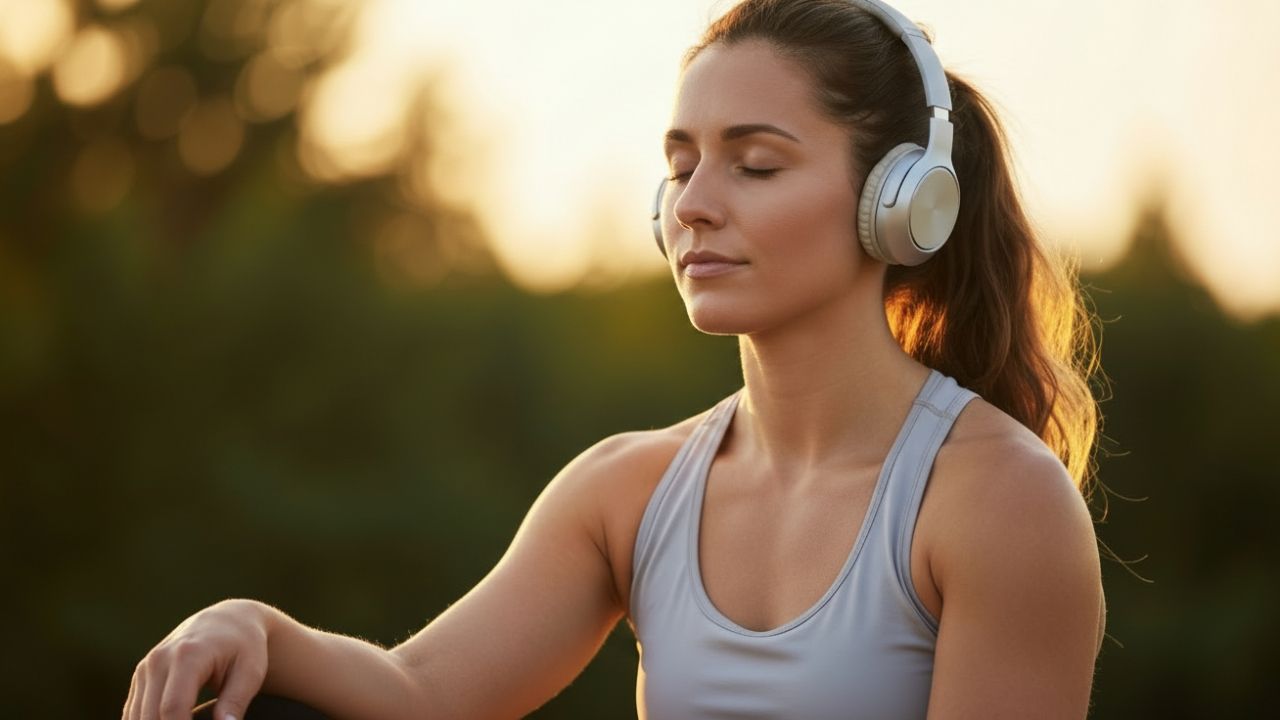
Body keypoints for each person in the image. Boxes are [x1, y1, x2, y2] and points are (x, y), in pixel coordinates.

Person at [123, 0, 1107, 718]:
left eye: (754, 164)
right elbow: (421, 693)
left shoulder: (995, 502)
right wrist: (253, 626)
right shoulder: (625, 491)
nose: (690, 205)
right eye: (679, 165)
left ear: (899, 200)